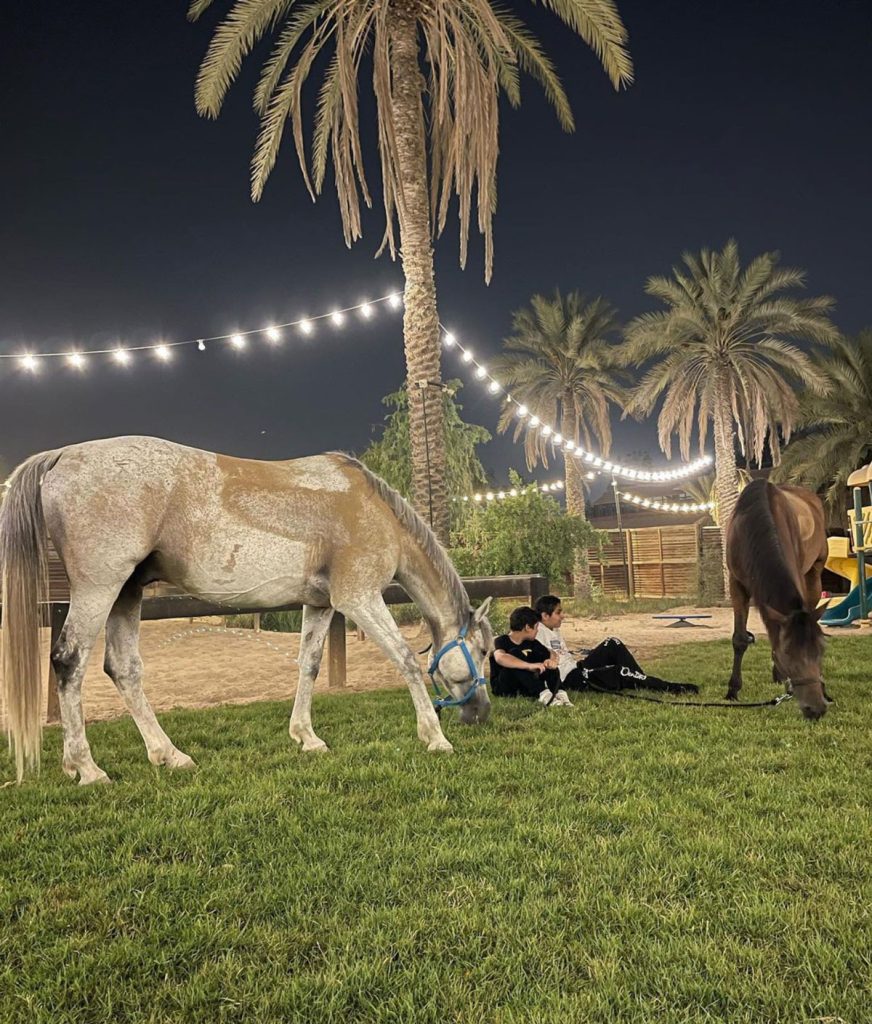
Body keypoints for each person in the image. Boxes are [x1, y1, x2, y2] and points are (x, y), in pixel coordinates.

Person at [534, 594, 698, 696]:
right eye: (558, 612)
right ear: (545, 615)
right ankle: (669, 687)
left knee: (612, 643)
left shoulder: (553, 629)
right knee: (620, 672)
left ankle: (641, 680)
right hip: (571, 678)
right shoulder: (538, 633)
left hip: (577, 667)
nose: (563, 616)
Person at [489, 606, 574, 707]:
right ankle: (544, 694)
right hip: (504, 687)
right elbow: (500, 657)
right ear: (528, 627)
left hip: (524, 687)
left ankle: (560, 693)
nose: (538, 630)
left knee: (543, 658)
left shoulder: (532, 642)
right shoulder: (502, 640)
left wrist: (551, 661)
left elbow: (551, 652)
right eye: (537, 627)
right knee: (515, 654)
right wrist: (529, 665)